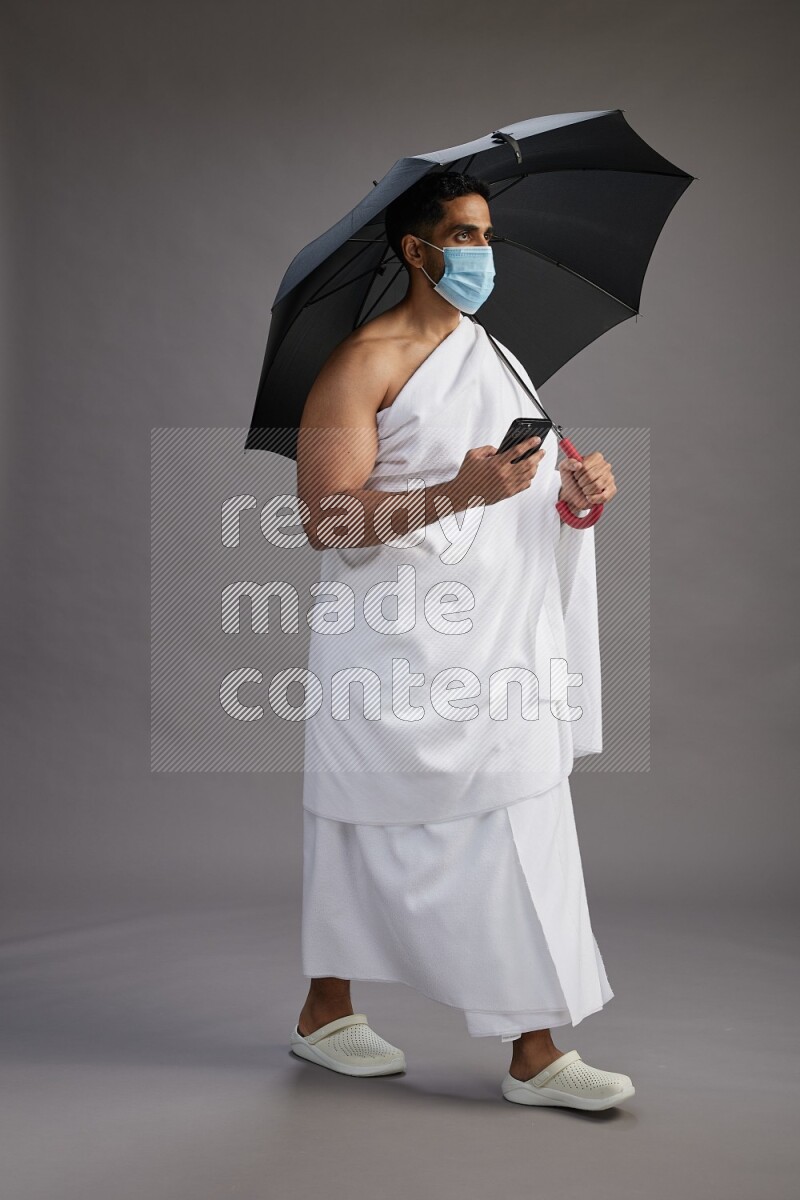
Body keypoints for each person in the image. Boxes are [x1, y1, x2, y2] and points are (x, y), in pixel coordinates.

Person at [288, 172, 634, 1111]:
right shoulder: (360, 364)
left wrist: (577, 494)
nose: (485, 254)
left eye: (489, 235)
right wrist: (459, 495)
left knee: (520, 824)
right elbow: (325, 522)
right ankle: (327, 1013)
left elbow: (527, 483)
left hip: (501, 644)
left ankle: (534, 1049)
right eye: (467, 236)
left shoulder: (497, 354)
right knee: (364, 828)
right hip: (400, 648)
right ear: (416, 250)